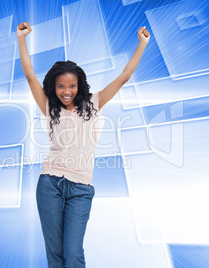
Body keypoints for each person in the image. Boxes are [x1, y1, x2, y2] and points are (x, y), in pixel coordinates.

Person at [17, 21, 150, 268]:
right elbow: (29, 76)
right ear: (53, 87)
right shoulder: (50, 107)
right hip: (49, 185)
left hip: (81, 189)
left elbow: (123, 78)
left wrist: (142, 44)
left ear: (79, 86)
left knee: (73, 253)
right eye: (60, 86)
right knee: (55, 255)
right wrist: (22, 39)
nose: (66, 91)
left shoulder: (93, 103)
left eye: (71, 86)